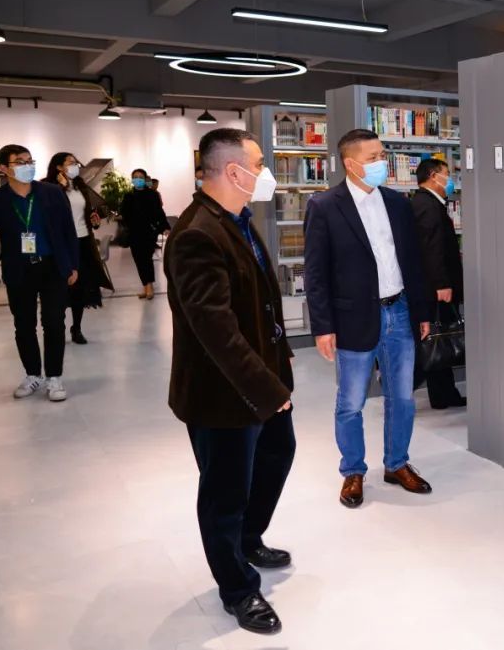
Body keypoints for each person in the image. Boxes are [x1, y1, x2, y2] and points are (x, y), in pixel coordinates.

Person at [165, 128, 295, 635]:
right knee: (224, 493)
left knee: (277, 455)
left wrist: (278, 372)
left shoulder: (237, 219)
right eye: (259, 164)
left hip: (261, 381)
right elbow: (215, 332)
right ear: (234, 172)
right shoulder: (197, 234)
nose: (265, 173)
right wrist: (266, 390)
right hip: (221, 393)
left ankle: (247, 539)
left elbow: (261, 305)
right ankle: (238, 589)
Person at [303, 128, 432, 509]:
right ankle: (353, 471)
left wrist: (423, 310)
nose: (382, 163)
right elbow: (315, 273)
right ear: (351, 163)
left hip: (400, 310)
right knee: (351, 402)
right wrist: (323, 326)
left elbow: (413, 260)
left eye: (382, 155)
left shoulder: (397, 202)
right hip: (354, 317)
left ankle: (397, 463)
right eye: (373, 157)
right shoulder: (325, 206)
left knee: (402, 398)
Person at [0, 144, 79, 402]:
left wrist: (72, 265)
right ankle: (33, 374)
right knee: (23, 324)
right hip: (18, 269)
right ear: (4, 168)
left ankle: (54, 376)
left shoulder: (52, 193)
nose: (27, 166)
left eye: (30, 161)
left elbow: (68, 231)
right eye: (20, 162)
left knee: (54, 322)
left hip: (52, 266)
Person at [410, 158, 466, 409]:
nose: (450, 180)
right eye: (447, 174)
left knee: (439, 338)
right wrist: (442, 284)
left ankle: (443, 395)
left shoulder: (427, 203)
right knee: (436, 338)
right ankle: (404, 386)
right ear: (434, 176)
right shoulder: (427, 206)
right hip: (436, 288)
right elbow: (431, 249)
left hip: (433, 286)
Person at [42, 153, 113, 344]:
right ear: (59, 167)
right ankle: (58, 328)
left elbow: (87, 212)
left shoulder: (80, 186)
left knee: (80, 289)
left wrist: (94, 221)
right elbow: (48, 212)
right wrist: (61, 187)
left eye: (76, 163)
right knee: (60, 288)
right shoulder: (48, 187)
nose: (75, 166)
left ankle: (77, 328)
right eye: (71, 163)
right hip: (61, 244)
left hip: (83, 241)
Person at [119, 168, 170, 300]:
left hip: (148, 233)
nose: (138, 179)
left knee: (146, 259)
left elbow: (159, 212)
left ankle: (150, 287)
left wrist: (165, 227)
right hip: (134, 233)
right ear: (132, 180)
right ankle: (145, 286)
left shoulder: (152, 195)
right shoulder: (128, 196)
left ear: (145, 179)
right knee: (139, 261)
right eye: (135, 177)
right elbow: (124, 214)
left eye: (140, 177)